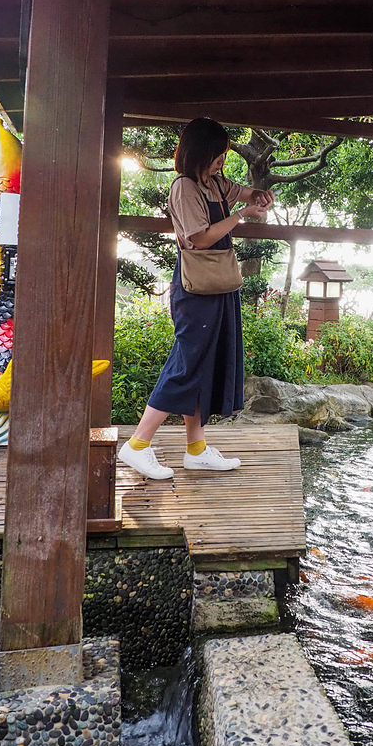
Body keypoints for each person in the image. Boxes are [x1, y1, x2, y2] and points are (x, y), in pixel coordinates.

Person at [118, 117, 273, 479]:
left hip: (218, 286)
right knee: (187, 363)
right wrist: (241, 216)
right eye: (217, 156)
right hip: (196, 288)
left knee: (203, 364)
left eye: (223, 156)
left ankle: (196, 449)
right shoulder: (185, 188)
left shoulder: (214, 182)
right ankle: (137, 445)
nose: (222, 162)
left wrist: (258, 196)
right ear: (200, 153)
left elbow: (242, 193)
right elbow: (199, 238)